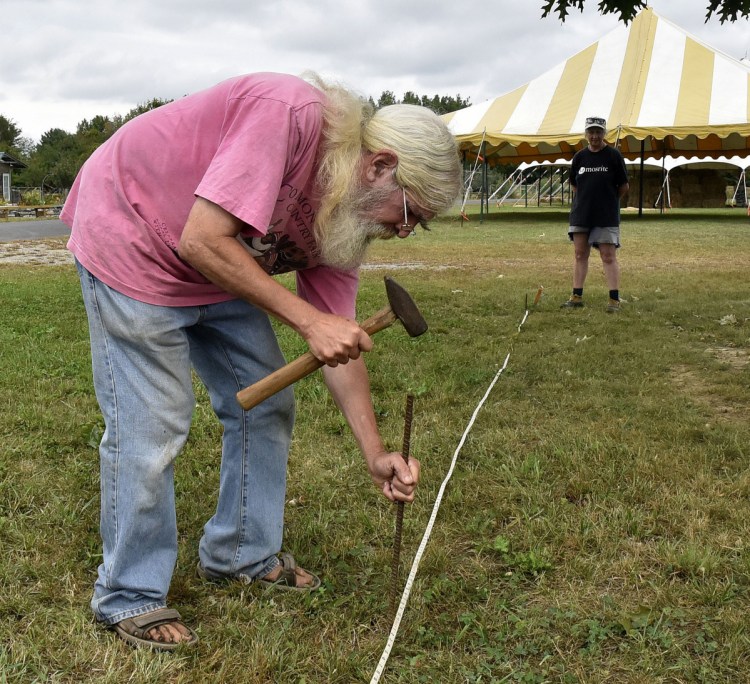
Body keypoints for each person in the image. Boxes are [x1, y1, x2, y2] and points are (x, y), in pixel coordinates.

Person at [61, 72, 462, 650]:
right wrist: (307, 320)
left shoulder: (341, 220)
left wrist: (375, 453)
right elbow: (203, 239)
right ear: (380, 164)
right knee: (153, 424)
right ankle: (128, 594)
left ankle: (241, 554)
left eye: (418, 225)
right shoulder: (288, 114)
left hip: (211, 263)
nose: (405, 230)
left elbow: (337, 346)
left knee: (266, 402)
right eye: (410, 212)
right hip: (134, 233)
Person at [561, 116, 629, 313]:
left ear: (604, 134)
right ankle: (576, 296)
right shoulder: (579, 157)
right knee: (580, 254)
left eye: (598, 132)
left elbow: (624, 186)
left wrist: (607, 200)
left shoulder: (614, 156)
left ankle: (614, 300)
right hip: (581, 214)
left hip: (606, 215)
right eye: (591, 132)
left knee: (608, 256)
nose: (594, 136)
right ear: (586, 134)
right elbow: (574, 185)